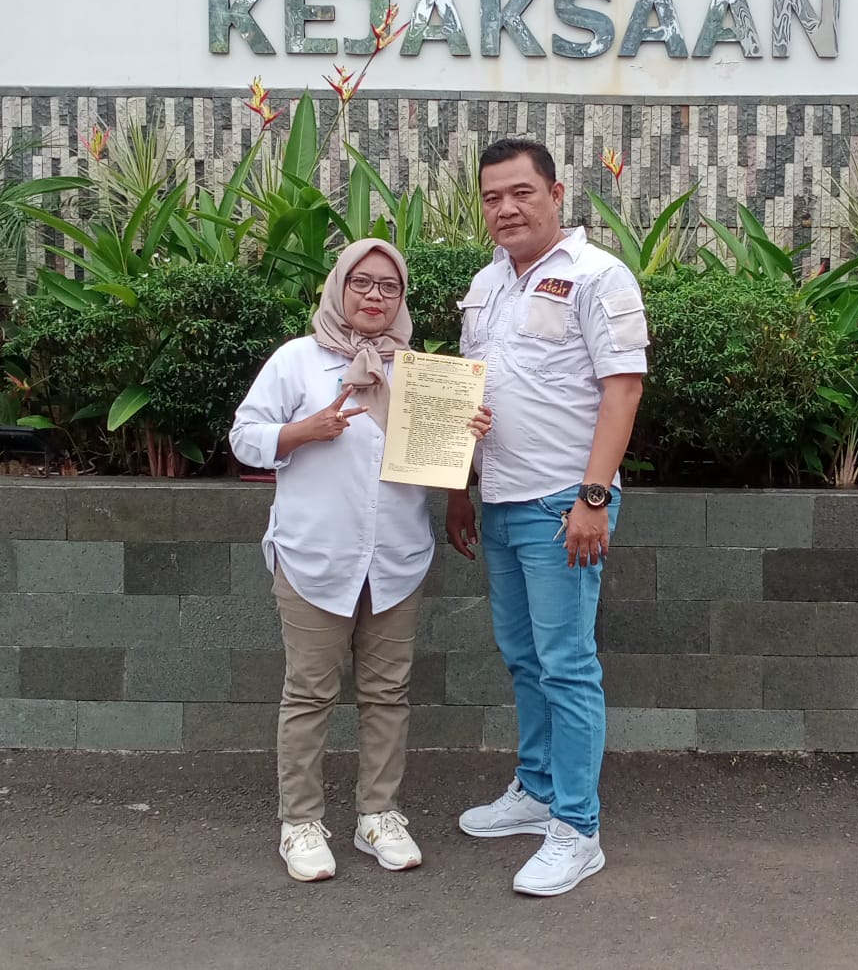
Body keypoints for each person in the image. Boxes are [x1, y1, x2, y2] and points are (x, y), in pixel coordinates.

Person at [230, 238, 490, 883]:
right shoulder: (298, 360)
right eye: (363, 283)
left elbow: (439, 459)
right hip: (314, 556)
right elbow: (244, 437)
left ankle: (379, 814)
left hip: (396, 557)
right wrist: (303, 430)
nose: (375, 296)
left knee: (388, 693)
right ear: (339, 287)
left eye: (389, 286)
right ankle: (300, 822)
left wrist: (466, 447)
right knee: (309, 692)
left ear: (402, 298)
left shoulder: (422, 374)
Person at [448, 137, 648, 897]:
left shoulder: (599, 275)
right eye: (491, 197)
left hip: (562, 502)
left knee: (566, 665)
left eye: (520, 192)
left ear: (556, 194)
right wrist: (458, 487)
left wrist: (592, 498)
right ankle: (535, 790)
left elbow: (623, 388)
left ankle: (577, 828)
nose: (505, 208)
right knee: (524, 657)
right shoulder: (486, 283)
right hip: (499, 498)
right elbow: (470, 395)